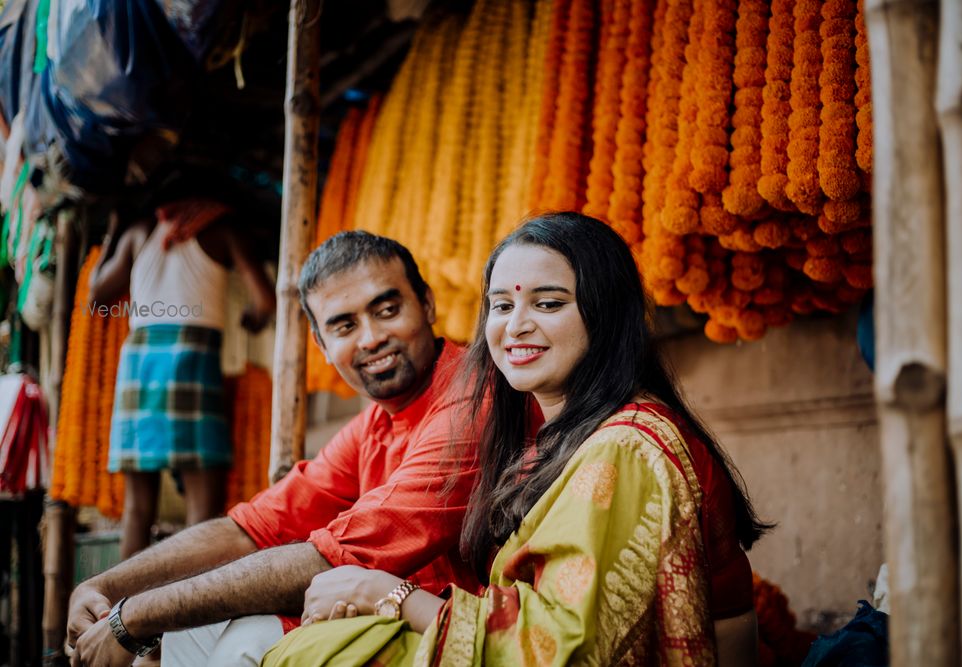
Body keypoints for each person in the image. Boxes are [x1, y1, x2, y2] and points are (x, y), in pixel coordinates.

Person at [263, 212, 767, 666]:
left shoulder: (627, 448)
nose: (515, 327)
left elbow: (562, 648)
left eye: (548, 303)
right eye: (501, 305)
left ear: (606, 313)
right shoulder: (552, 438)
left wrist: (389, 595)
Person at [68, 231, 480, 667]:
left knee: (242, 642)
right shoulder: (374, 424)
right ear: (321, 346)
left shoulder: (469, 401)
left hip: (467, 637)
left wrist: (131, 618)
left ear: (429, 305)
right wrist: (104, 587)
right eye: (345, 325)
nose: (371, 337)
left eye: (387, 310)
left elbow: (328, 558)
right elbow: (250, 529)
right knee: (192, 634)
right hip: (399, 622)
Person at [90, 197, 277, 559]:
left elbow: (98, 297)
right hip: (193, 360)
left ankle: (120, 609)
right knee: (202, 515)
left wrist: (113, 231)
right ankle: (193, 611)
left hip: (139, 365)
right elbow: (265, 301)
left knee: (137, 510)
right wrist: (252, 320)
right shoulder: (223, 229)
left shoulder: (138, 231)